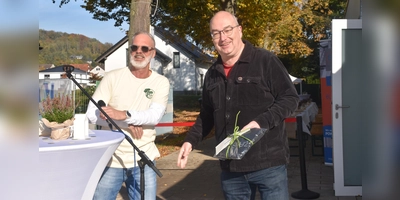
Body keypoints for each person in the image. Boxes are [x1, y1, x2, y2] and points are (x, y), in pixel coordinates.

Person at [177, 11, 299, 200]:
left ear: (239, 30)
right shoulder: (212, 74)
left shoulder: (265, 60)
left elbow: (290, 98)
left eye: (227, 30)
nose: (222, 37)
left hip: (269, 164)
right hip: (231, 167)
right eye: (216, 33)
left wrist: (261, 122)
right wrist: (190, 141)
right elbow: (207, 115)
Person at [86, 31, 170, 200]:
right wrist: (127, 124)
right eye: (134, 47)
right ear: (130, 51)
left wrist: (123, 115)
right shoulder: (111, 77)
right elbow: (92, 114)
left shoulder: (161, 82)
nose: (139, 51)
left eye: (145, 48)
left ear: (153, 53)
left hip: (144, 159)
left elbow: (154, 116)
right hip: (112, 159)